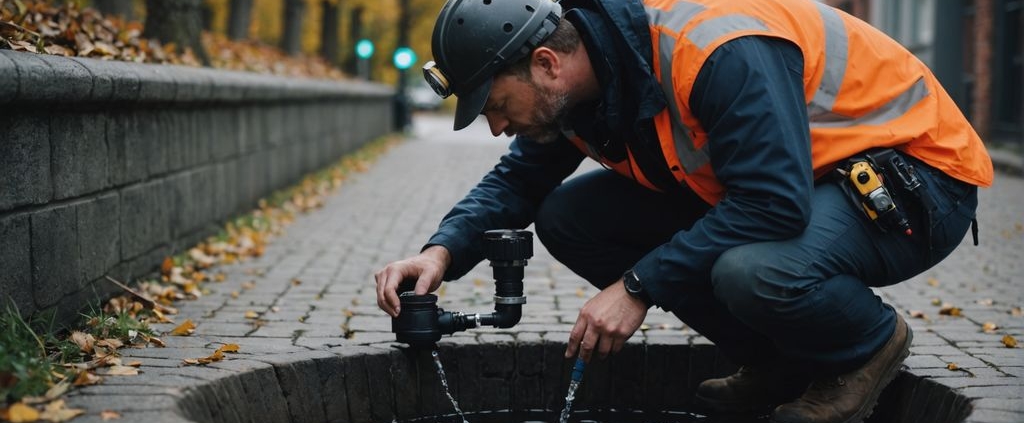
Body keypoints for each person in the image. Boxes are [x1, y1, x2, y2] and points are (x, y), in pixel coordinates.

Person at [374, 0, 994, 421]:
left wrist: (637, 286)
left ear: (546, 64)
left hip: (917, 181)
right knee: (569, 216)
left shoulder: (715, 51)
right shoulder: (585, 85)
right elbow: (518, 182)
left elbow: (771, 206)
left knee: (753, 270)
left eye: (496, 104)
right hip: (809, 187)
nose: (495, 126)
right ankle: (779, 362)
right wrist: (441, 252)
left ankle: (866, 344)